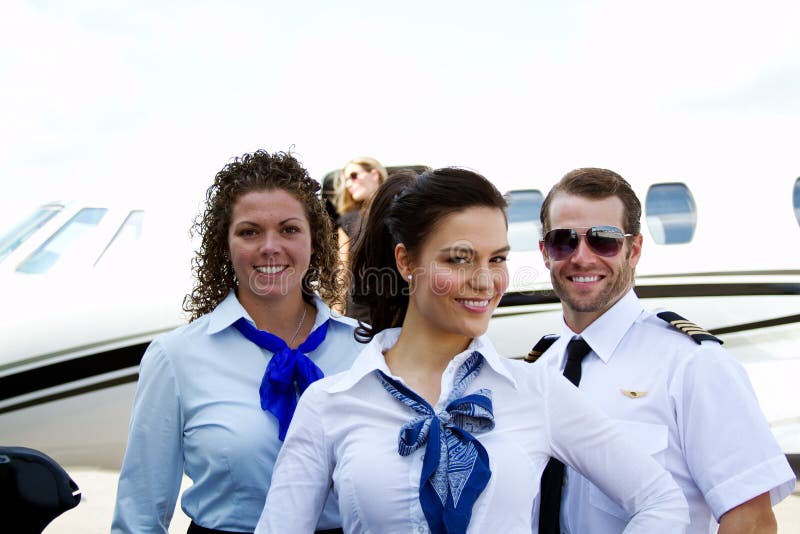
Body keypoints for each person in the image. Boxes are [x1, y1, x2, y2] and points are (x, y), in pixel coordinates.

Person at [255, 168, 689, 533]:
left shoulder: (536, 390)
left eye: (497, 259)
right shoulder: (330, 404)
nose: (485, 281)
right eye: (459, 259)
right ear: (407, 263)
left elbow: (661, 500)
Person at [532, 167, 796, 534]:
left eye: (603, 240)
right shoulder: (538, 370)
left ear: (634, 249)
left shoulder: (692, 364)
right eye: (564, 241)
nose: (582, 257)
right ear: (545, 252)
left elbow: (750, 521)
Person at [112, 150, 362, 534]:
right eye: (249, 232)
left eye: (289, 229)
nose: (270, 246)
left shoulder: (364, 350)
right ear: (225, 246)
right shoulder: (176, 357)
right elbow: (141, 515)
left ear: (315, 242)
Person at [333, 156, 388, 320]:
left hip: (400, 309)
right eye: (346, 180)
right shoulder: (348, 221)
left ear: (374, 174)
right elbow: (343, 268)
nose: (349, 184)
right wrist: (337, 309)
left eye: (354, 176)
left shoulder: (402, 213)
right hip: (360, 312)